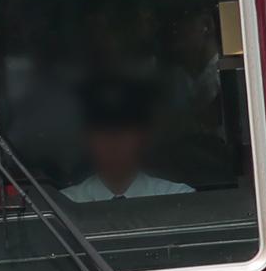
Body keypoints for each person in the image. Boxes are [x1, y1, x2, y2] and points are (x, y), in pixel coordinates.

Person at [61, 75, 190, 203]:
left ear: (143, 138)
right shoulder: (64, 205)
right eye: (104, 133)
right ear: (87, 139)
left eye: (123, 132)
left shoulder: (177, 198)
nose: (113, 144)